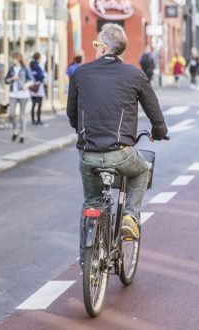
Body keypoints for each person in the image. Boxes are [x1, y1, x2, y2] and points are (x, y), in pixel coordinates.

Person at [67, 23, 168, 256]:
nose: (94, 49)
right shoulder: (135, 74)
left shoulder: (80, 73)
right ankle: (130, 216)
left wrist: (82, 131)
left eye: (96, 45)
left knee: (92, 202)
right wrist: (159, 132)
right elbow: (155, 112)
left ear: (103, 48)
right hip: (121, 153)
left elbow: (71, 113)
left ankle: (87, 260)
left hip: (88, 154)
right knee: (142, 169)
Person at [5, 52, 34, 143]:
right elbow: (6, 80)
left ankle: (22, 135)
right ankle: (15, 130)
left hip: (23, 94)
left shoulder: (25, 69)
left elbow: (32, 80)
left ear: (18, 59)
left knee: (22, 115)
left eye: (14, 58)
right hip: (13, 94)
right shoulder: (11, 69)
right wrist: (12, 78)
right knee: (12, 114)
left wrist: (26, 85)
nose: (12, 60)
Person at [29, 52, 45, 125]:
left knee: (33, 104)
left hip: (32, 86)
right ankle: (38, 120)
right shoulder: (38, 66)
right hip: (38, 86)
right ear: (39, 58)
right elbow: (41, 76)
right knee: (39, 104)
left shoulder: (30, 66)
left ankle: (33, 119)